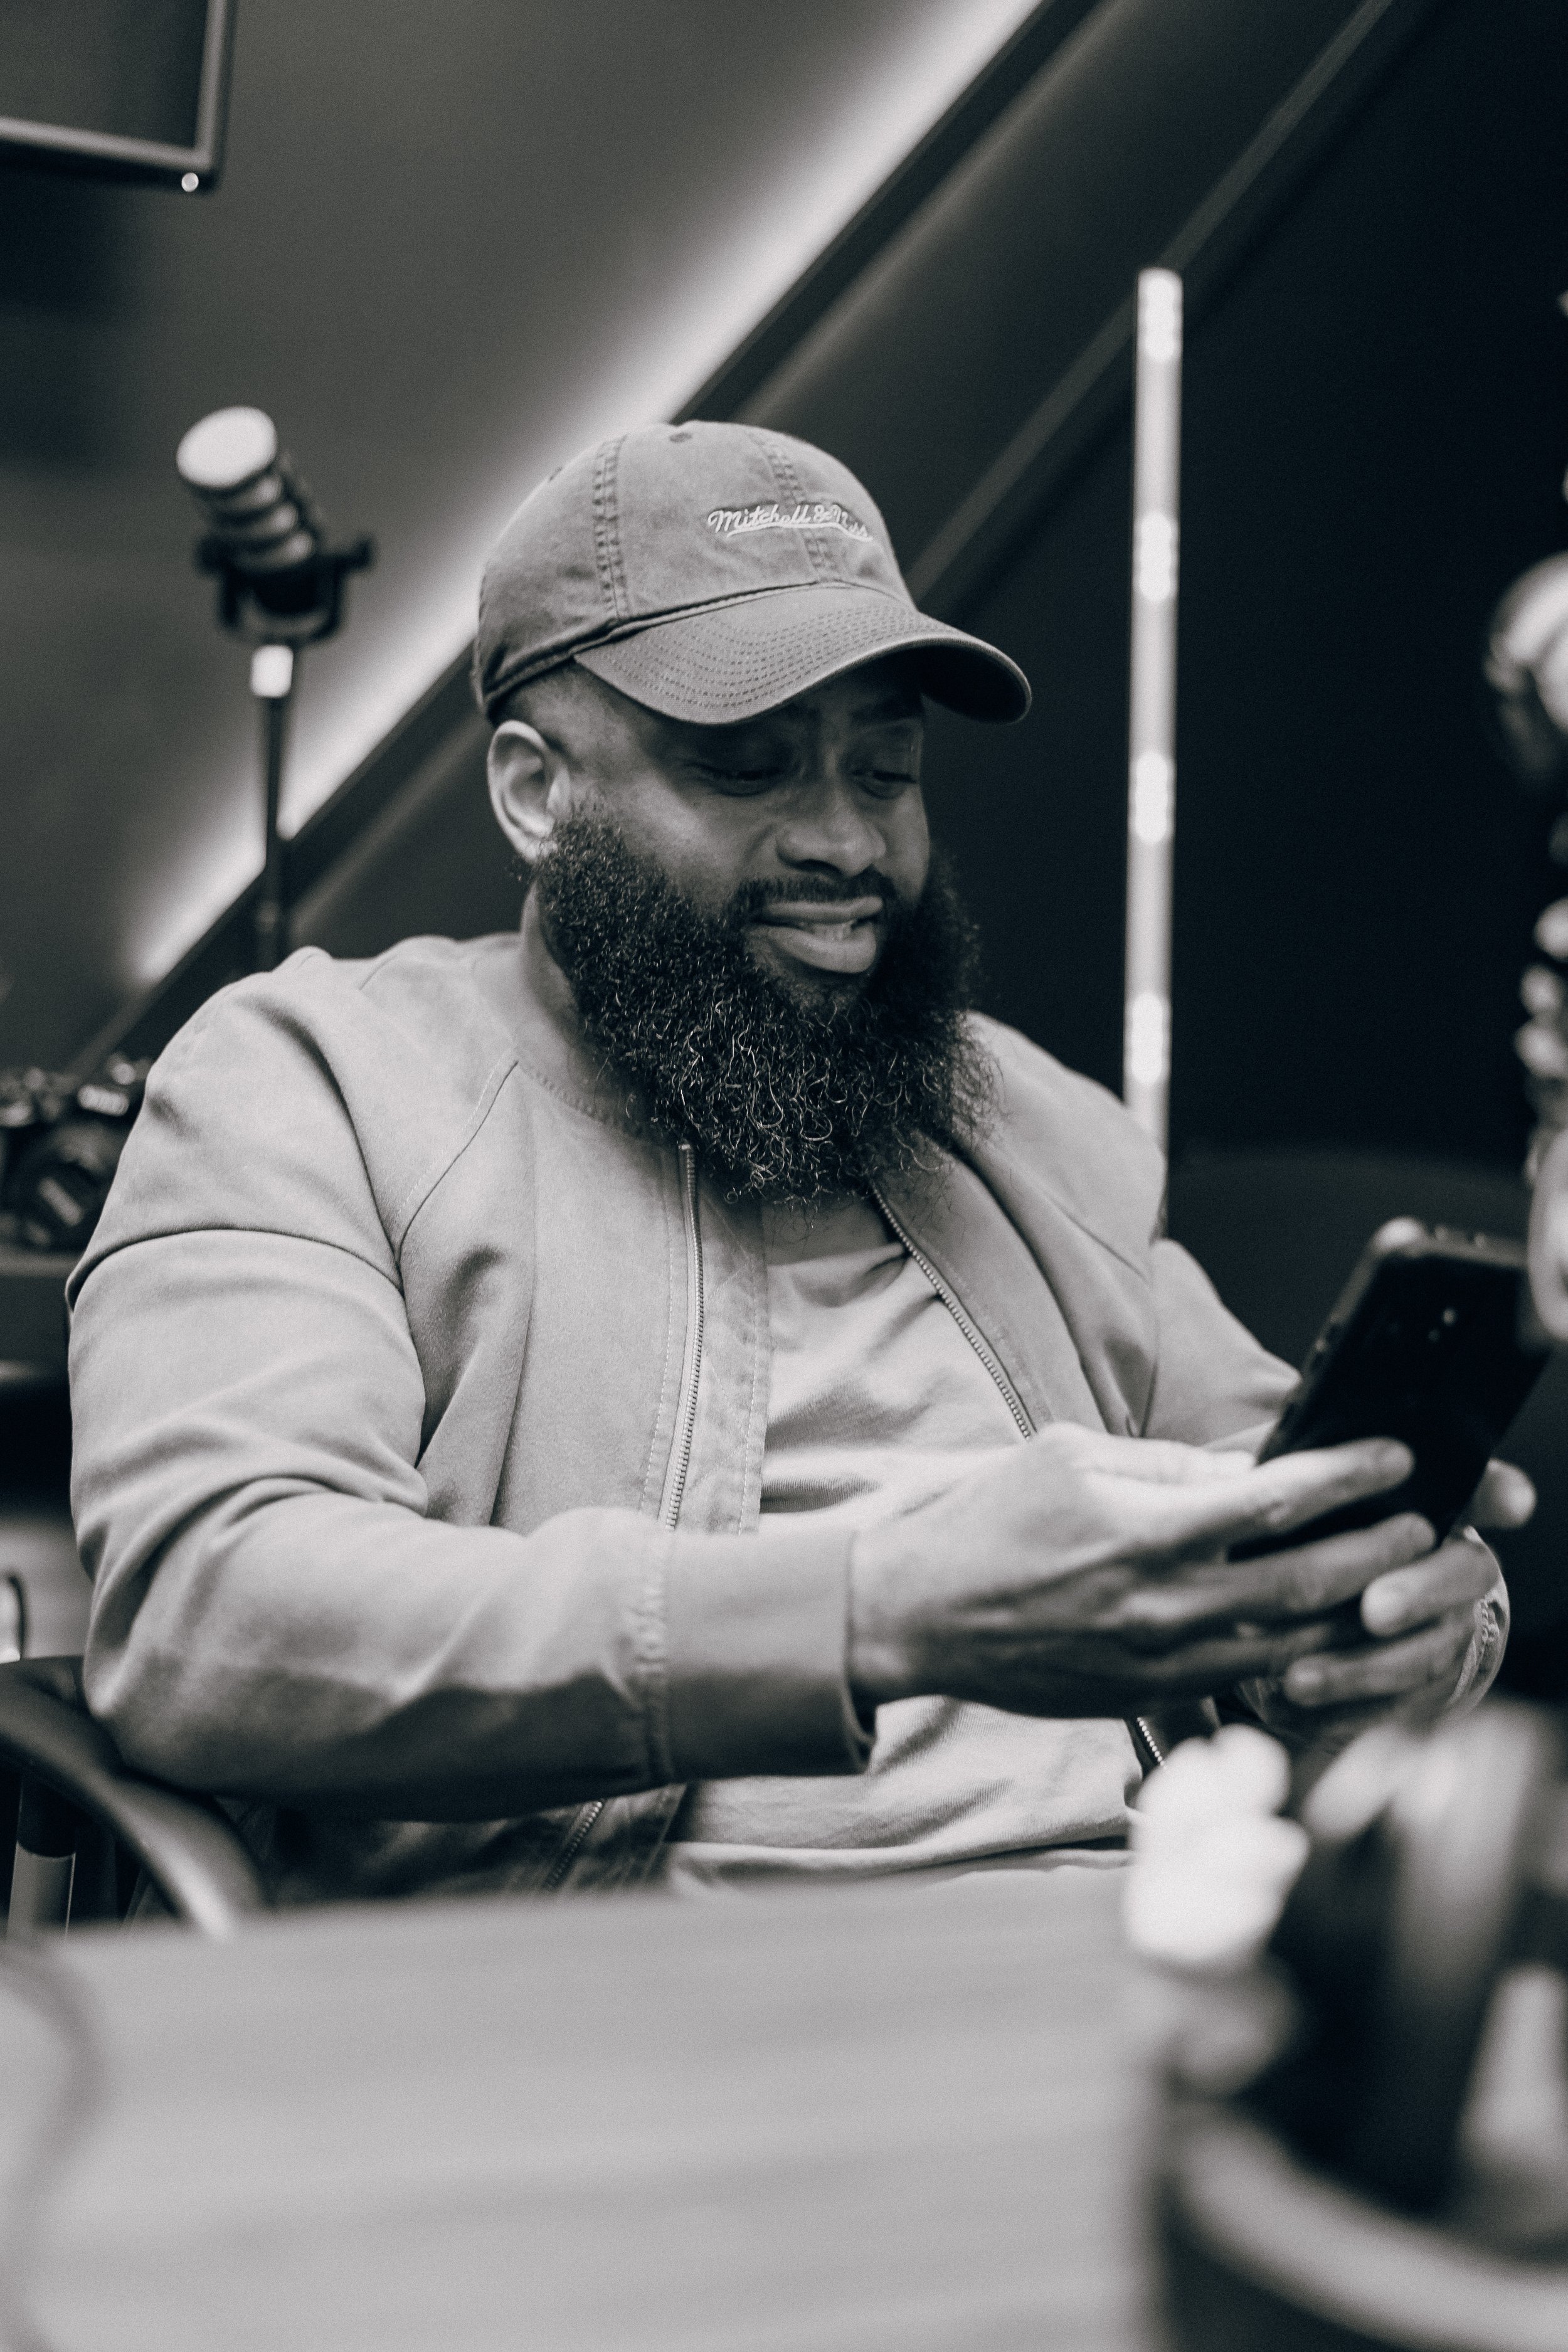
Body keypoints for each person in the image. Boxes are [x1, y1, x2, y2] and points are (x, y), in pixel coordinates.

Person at [67, 423, 1523, 1903]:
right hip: (624, 1994)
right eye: (747, 768)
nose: (844, 843)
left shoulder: (1026, 1118)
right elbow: (215, 1618)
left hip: (1143, 1942)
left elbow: (1268, 1495)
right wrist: (877, 1608)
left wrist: (1387, 1632)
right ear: (534, 793)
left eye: (884, 771)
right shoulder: (315, 1079)